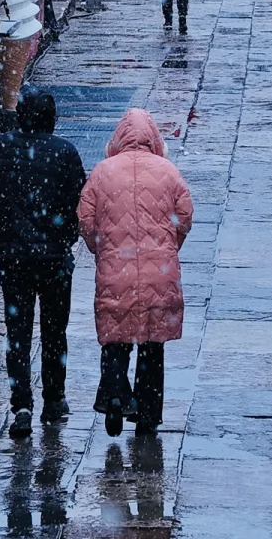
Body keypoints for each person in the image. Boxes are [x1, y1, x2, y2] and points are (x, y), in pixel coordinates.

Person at [78, 109, 193, 438]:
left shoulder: (102, 173)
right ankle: (147, 415)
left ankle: (114, 395)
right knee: (152, 344)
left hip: (116, 270)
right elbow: (184, 217)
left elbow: (85, 219)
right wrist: (169, 247)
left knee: (116, 335)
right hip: (160, 271)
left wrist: (99, 248)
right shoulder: (168, 172)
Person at [0, 89, 88, 439]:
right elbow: (79, 204)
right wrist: (64, 239)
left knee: (18, 335)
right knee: (54, 332)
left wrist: (12, 235)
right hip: (54, 258)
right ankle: (54, 399)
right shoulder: (65, 153)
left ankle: (21, 404)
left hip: (14, 256)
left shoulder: (3, 148)